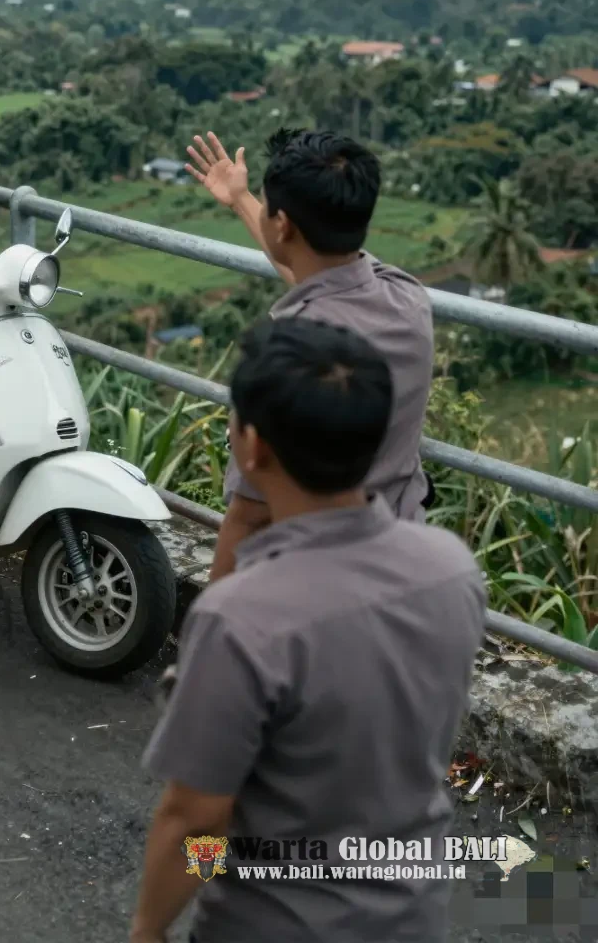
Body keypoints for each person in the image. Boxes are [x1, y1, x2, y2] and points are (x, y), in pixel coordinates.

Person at [130, 317, 487, 943]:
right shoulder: (451, 570)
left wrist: (148, 929)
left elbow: (199, 820)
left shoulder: (241, 618)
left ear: (253, 447)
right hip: (413, 915)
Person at [186, 128, 434, 583]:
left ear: (281, 225)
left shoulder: (292, 356)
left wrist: (211, 623)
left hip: (308, 574)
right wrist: (242, 199)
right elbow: (319, 266)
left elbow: (252, 513)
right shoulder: (407, 299)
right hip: (400, 553)